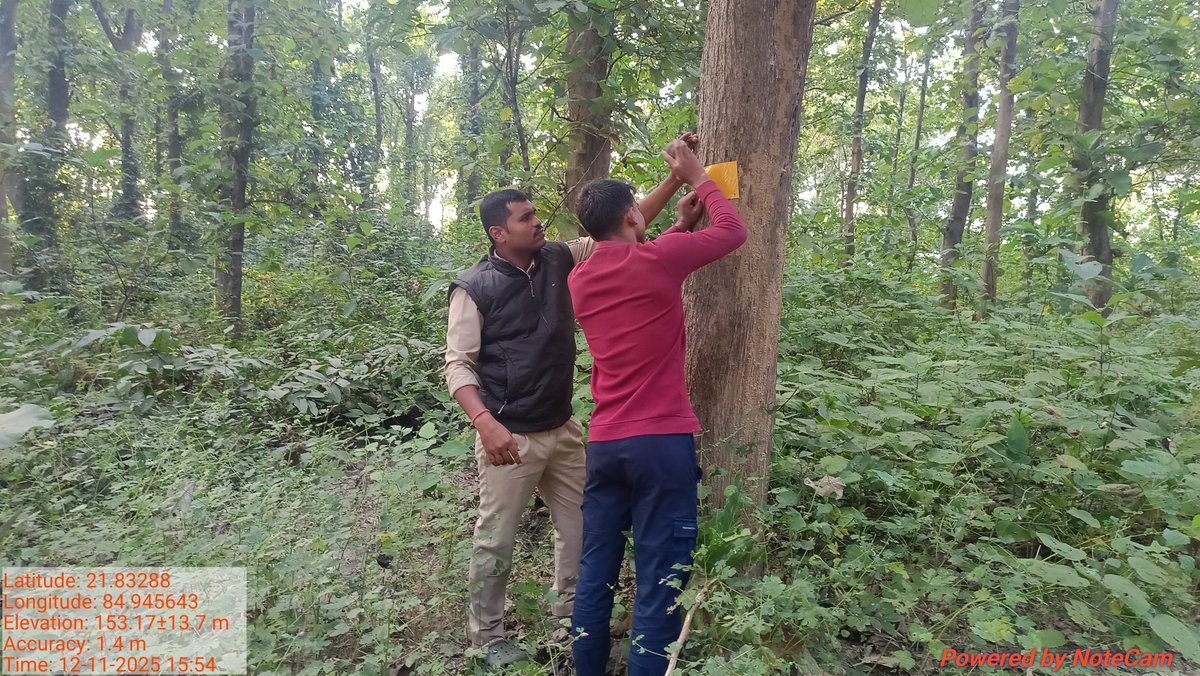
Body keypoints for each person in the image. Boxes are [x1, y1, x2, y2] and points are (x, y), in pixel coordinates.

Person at [443, 147, 699, 669]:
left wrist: (676, 180)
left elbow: (622, 227)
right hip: (509, 435)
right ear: (498, 233)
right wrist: (486, 423)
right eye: (526, 218)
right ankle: (486, 637)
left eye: (536, 214)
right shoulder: (474, 288)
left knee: (582, 533)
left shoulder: (559, 258)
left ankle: (572, 618)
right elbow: (457, 365)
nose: (538, 222)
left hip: (563, 427)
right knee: (496, 538)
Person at [567, 140, 747, 675]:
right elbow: (733, 231)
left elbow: (639, 264)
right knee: (660, 580)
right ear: (630, 216)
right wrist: (698, 178)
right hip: (660, 445)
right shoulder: (659, 260)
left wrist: (678, 227)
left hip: (605, 445)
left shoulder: (579, 278)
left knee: (595, 573)